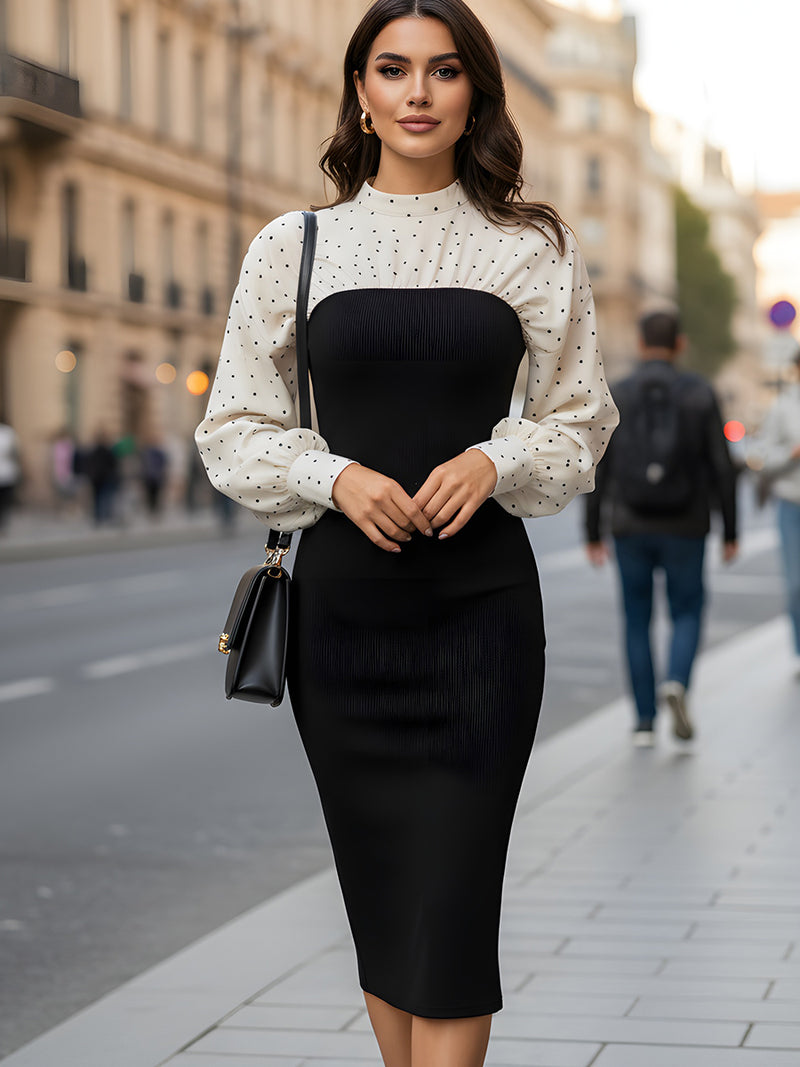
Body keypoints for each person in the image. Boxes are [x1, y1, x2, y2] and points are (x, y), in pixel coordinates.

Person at [196, 2, 618, 1064]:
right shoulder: (291, 245)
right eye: (392, 70)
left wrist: (495, 456)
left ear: (474, 88)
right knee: (382, 894)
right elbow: (234, 428)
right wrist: (333, 476)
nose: (417, 92)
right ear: (361, 91)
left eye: (441, 71)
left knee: (454, 898)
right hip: (344, 624)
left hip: (479, 618)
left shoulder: (532, 247)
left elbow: (579, 419)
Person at [585, 310, 738, 747]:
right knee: (687, 610)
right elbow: (722, 467)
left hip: (630, 523)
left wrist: (593, 531)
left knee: (636, 619)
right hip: (686, 524)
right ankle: (677, 681)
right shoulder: (700, 392)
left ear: (639, 342)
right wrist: (730, 530)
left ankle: (644, 723)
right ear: (681, 344)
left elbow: (600, 465)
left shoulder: (621, 391)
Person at [754, 347, 800, 668]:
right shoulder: (783, 407)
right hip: (792, 505)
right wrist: (792, 454)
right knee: (796, 583)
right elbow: (764, 458)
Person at [0, 419, 21, 530]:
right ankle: (3, 523)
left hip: (7, 473)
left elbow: (16, 453)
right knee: (5, 501)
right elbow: (16, 453)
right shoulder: (9, 433)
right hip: (7, 473)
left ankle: (3, 523)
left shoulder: (8, 433)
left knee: (5, 500)